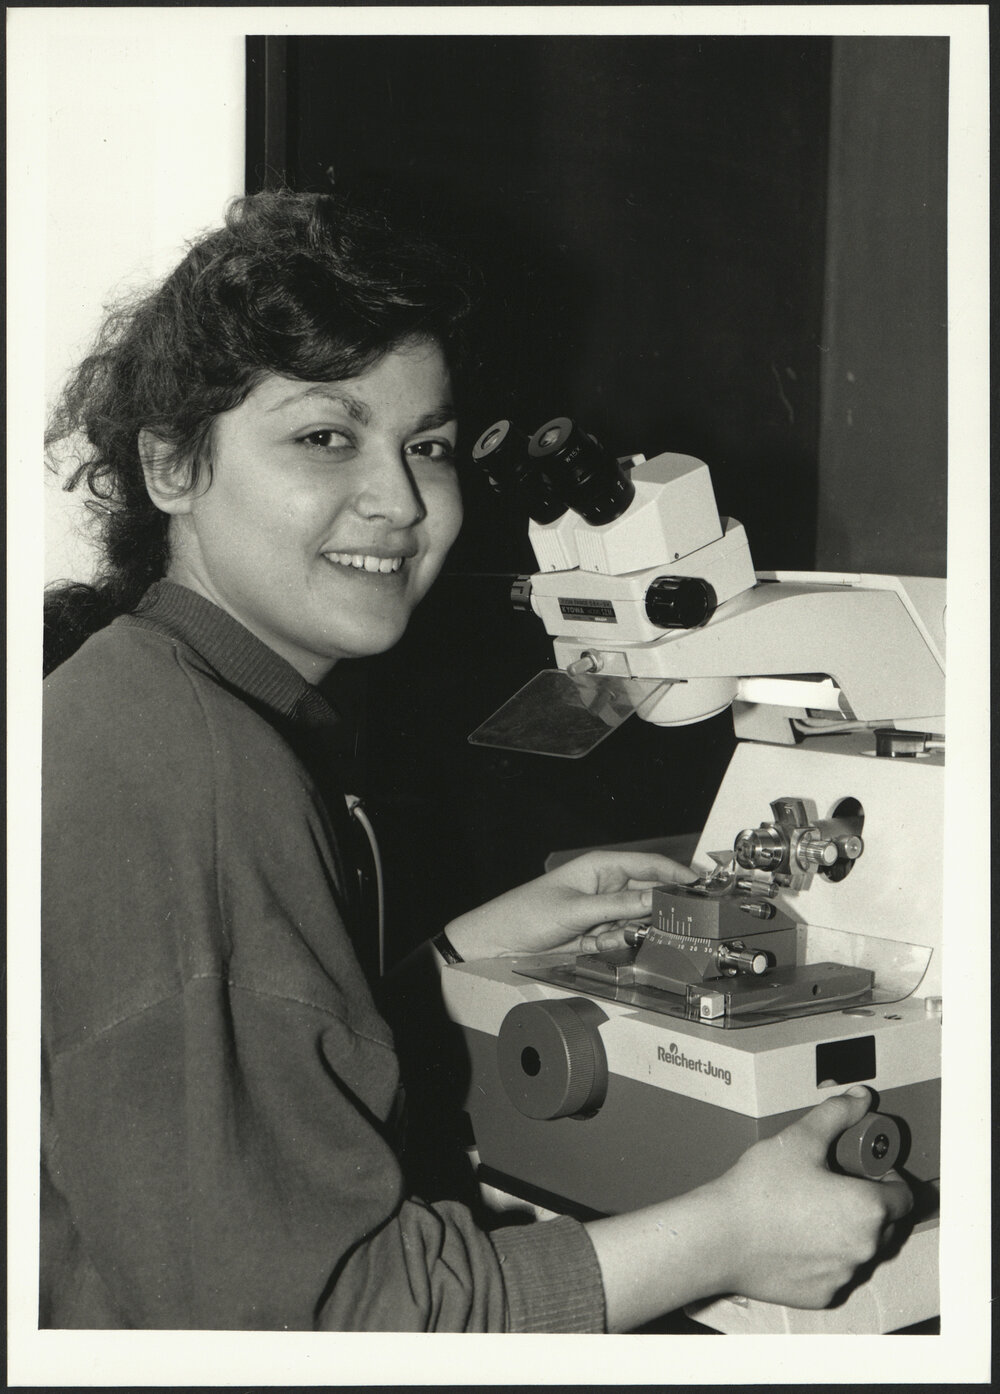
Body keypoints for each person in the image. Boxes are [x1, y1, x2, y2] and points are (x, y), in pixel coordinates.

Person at [41, 189, 911, 1333]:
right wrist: (725, 1237)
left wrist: (453, 956)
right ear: (171, 465)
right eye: (324, 436)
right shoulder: (199, 778)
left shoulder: (129, 699)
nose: (400, 501)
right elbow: (310, 1327)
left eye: (430, 446)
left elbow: (206, 1091)